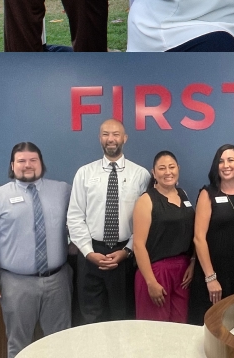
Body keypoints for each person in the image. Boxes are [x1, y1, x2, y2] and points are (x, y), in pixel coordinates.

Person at [0, 143, 72, 358]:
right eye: (21, 161)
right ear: (12, 165)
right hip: (15, 283)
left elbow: (79, 223)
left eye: (33, 160)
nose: (27, 165)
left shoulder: (62, 190)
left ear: (41, 163)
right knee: (19, 344)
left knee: (61, 342)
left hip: (57, 281)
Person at [66, 119, 148, 323]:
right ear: (99, 138)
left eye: (116, 134)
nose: (110, 139)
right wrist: (88, 252)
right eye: (105, 134)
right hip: (90, 255)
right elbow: (75, 216)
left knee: (123, 318)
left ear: (125, 138)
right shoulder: (84, 173)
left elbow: (145, 222)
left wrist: (127, 250)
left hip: (125, 256)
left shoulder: (141, 175)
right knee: (90, 319)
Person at [190, 145, 234, 324]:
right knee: (213, 326)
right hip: (216, 274)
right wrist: (210, 278)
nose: (225, 165)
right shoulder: (208, 194)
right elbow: (199, 238)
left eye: (230, 160)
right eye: (221, 161)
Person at [131, 150, 195, 323]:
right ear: (154, 173)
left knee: (179, 328)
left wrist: (193, 261)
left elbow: (191, 233)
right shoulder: (146, 200)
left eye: (172, 167)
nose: (168, 172)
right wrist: (150, 282)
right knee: (154, 332)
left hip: (182, 274)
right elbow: (138, 245)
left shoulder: (183, 195)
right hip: (156, 273)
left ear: (178, 169)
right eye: (162, 168)